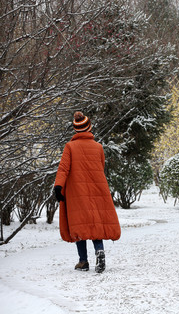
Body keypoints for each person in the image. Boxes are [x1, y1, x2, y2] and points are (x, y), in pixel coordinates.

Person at [54, 111, 121, 273]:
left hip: (77, 191)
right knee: (95, 222)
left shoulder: (70, 147)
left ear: (76, 130)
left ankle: (83, 261)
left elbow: (63, 169)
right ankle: (99, 250)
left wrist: (58, 187)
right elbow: (101, 167)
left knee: (80, 224)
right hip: (97, 189)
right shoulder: (98, 147)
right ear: (89, 128)